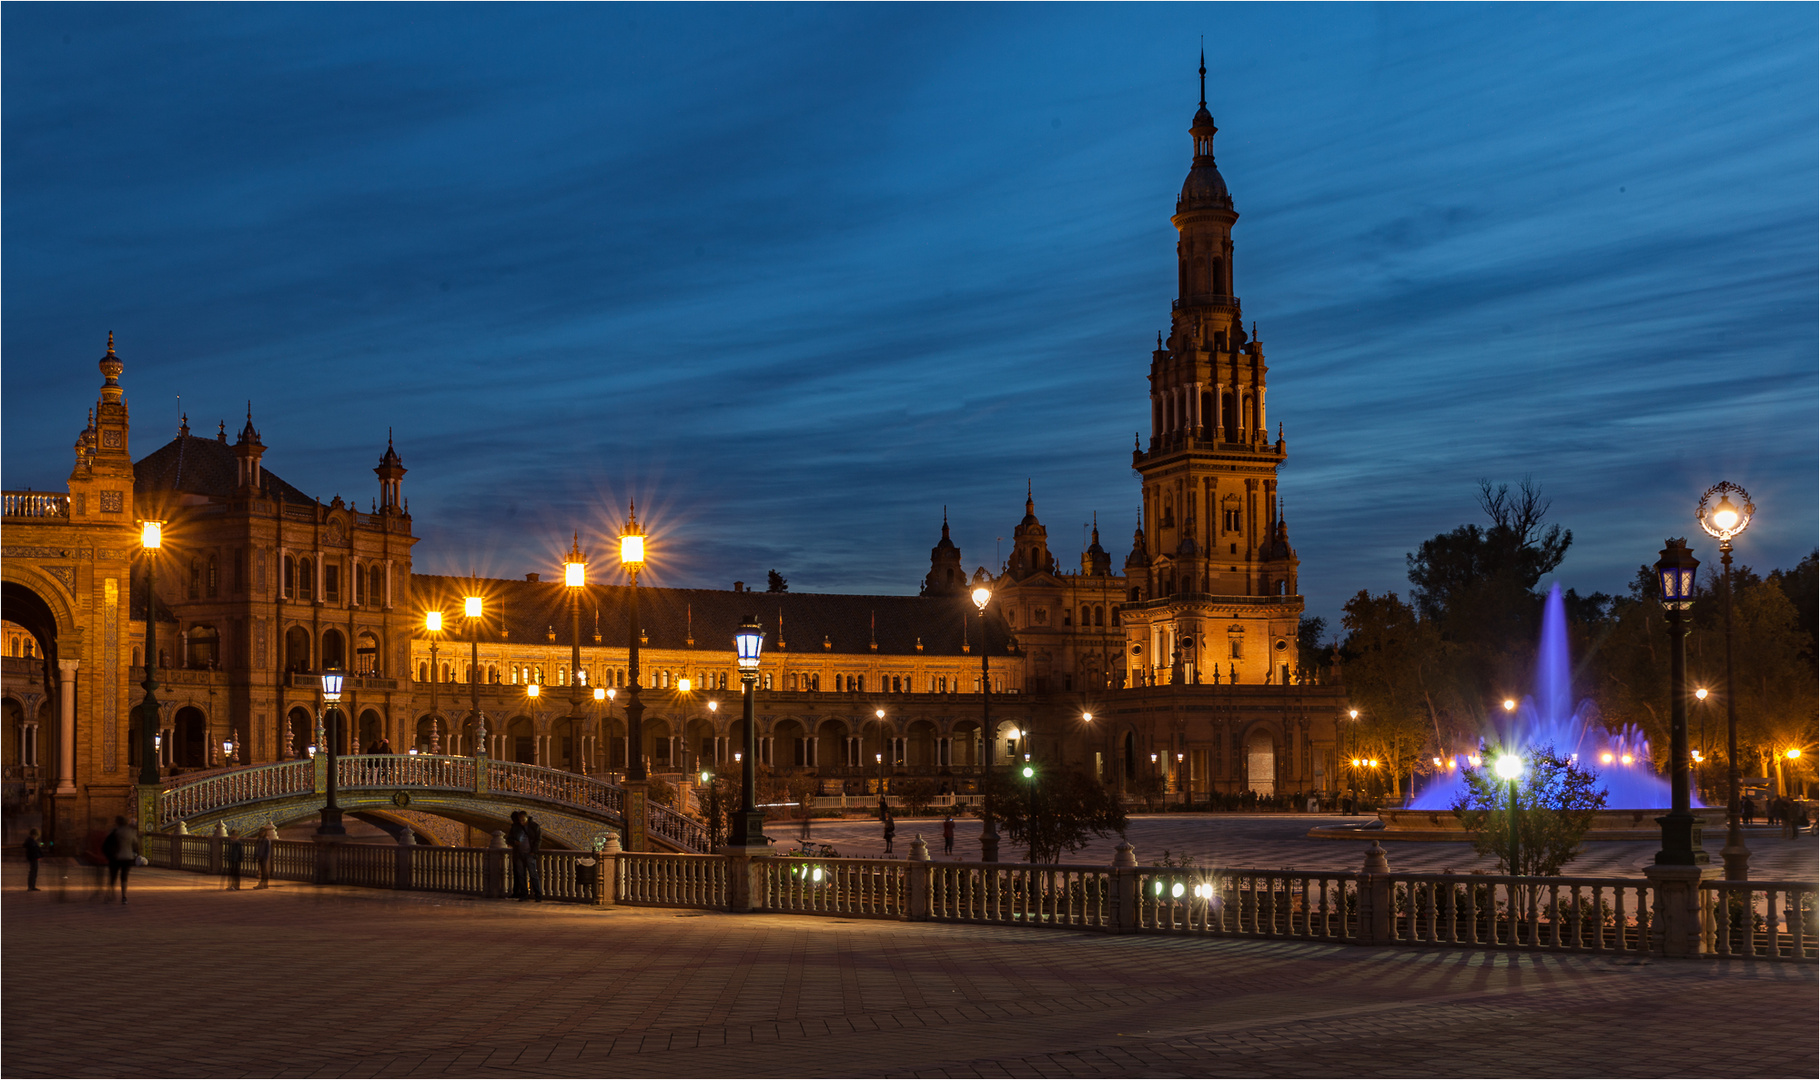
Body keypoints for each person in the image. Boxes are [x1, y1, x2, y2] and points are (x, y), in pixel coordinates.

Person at [102, 816, 139, 903]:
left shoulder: (115, 831)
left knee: (113, 877)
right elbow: (136, 844)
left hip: (116, 857)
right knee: (124, 877)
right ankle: (124, 896)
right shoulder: (131, 832)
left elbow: (107, 842)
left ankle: (109, 894)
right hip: (127, 856)